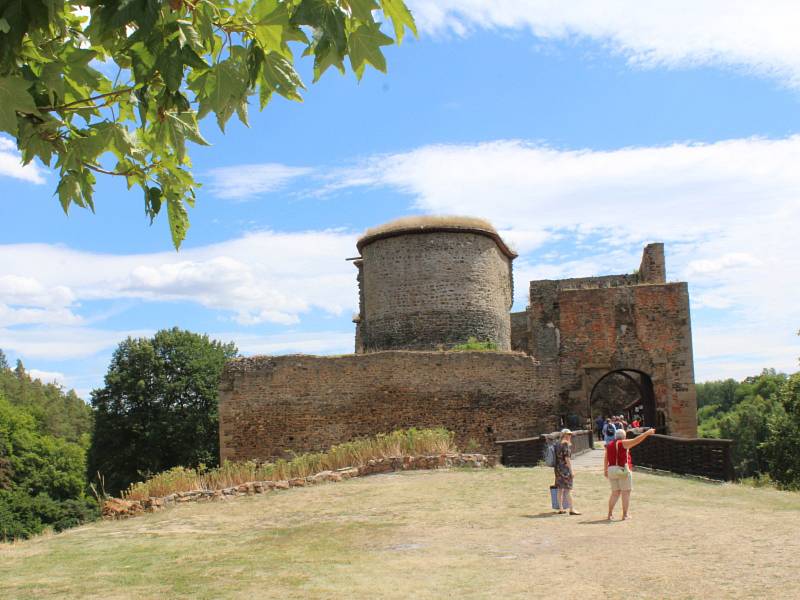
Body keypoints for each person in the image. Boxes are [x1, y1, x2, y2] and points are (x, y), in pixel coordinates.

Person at [604, 427, 656, 520]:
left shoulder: (610, 444)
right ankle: (625, 515)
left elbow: (606, 458)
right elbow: (636, 440)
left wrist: (605, 470)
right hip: (621, 470)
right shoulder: (622, 443)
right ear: (624, 437)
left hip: (611, 469)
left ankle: (610, 514)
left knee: (615, 493)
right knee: (626, 492)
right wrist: (647, 433)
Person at [554, 429, 581, 515]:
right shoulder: (565, 444)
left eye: (570, 434)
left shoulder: (557, 444)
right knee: (568, 489)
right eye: (567, 434)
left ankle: (561, 508)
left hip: (558, 468)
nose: (569, 436)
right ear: (564, 435)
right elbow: (567, 459)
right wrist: (571, 471)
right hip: (565, 469)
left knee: (560, 489)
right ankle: (572, 509)